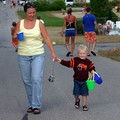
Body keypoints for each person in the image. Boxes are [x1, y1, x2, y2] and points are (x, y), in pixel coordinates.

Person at [13, 2, 56, 114]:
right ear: (25, 12)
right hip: (23, 55)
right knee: (27, 80)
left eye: (33, 12)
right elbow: (14, 37)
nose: (32, 14)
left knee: (36, 79)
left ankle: (36, 105)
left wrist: (53, 52)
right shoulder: (20, 23)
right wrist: (15, 36)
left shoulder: (39, 23)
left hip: (38, 54)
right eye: (29, 13)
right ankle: (31, 103)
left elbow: (46, 37)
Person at [55, 44, 95, 111]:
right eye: (80, 53)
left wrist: (93, 71)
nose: (82, 55)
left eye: (84, 53)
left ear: (86, 53)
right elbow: (68, 64)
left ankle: (84, 105)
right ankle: (77, 100)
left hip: (85, 81)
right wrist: (61, 61)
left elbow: (92, 68)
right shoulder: (75, 60)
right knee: (76, 94)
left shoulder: (88, 62)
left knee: (84, 94)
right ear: (78, 53)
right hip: (76, 80)